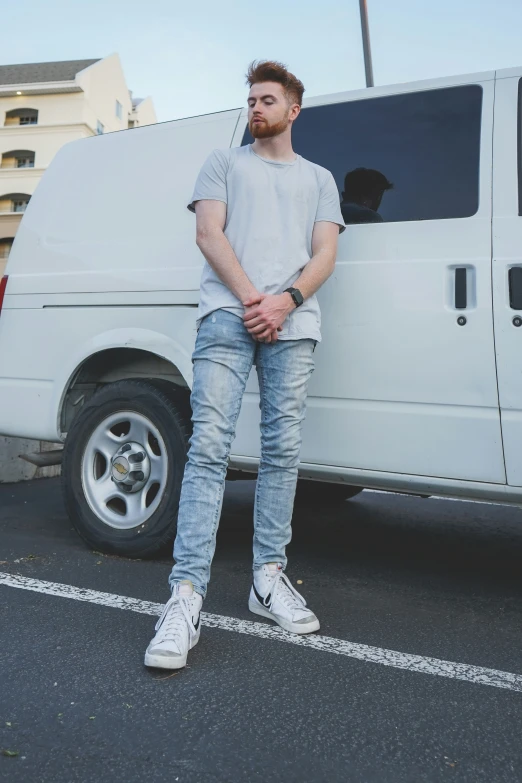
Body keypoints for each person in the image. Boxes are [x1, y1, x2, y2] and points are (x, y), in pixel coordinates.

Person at [145, 60, 345, 670]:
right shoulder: (224, 162)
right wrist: (256, 299)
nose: (255, 107)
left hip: (294, 321)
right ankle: (185, 598)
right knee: (209, 449)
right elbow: (210, 234)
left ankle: (268, 580)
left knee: (283, 452)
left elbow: (326, 252)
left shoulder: (319, 178)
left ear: (293, 109)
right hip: (229, 317)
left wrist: (284, 301)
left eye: (267, 99)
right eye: (251, 99)